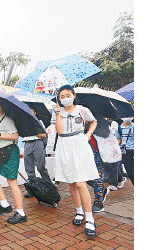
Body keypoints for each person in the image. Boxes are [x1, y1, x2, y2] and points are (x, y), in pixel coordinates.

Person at [52, 85, 99, 237]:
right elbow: (59, 131)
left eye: (67, 95)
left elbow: (94, 122)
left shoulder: (82, 109)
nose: (65, 98)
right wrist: (58, 113)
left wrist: (88, 135)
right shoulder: (57, 111)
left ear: (73, 95)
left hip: (79, 145)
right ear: (59, 98)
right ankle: (78, 211)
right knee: (71, 181)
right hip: (64, 145)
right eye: (62, 96)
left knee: (80, 182)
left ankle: (89, 217)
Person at [0, 101, 27, 225]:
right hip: (1, 152)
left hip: (10, 152)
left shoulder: (7, 120)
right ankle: (4, 204)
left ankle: (21, 213)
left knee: (12, 182)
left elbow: (15, 136)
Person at [23, 107, 52, 198]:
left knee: (41, 167)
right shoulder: (22, 123)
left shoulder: (39, 122)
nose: (29, 113)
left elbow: (43, 135)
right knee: (29, 169)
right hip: (27, 144)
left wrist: (32, 131)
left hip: (37, 143)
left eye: (31, 111)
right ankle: (33, 189)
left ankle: (49, 187)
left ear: (35, 112)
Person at [85, 118, 111, 213]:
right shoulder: (80, 120)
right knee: (85, 178)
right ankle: (102, 190)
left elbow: (106, 135)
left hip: (98, 153)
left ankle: (98, 202)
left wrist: (92, 127)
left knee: (97, 177)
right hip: (84, 153)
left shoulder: (101, 122)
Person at [116, 117, 134, 185]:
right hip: (125, 152)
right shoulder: (119, 128)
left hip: (133, 150)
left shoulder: (134, 127)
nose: (128, 118)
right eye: (126, 116)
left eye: (130, 116)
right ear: (121, 118)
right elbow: (119, 140)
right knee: (130, 173)